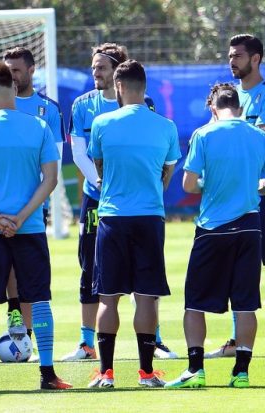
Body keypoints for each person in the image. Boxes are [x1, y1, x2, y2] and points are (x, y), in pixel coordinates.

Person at [167, 83, 265, 389]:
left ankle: (195, 370)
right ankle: (241, 372)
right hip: (249, 228)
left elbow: (189, 185)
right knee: (246, 304)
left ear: (213, 108)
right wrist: (251, 186)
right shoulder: (260, 136)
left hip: (212, 230)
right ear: (241, 108)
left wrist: (213, 184)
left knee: (194, 303)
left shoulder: (204, 134)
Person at [0, 61, 68, 392]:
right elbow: (50, 180)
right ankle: (47, 374)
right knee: (39, 299)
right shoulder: (38, 126)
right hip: (30, 228)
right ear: (14, 88)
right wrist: (21, 218)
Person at [65, 43, 170, 362]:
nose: (94, 72)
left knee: (145, 278)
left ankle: (156, 341)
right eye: (93, 66)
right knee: (91, 269)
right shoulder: (83, 105)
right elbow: (80, 152)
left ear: (118, 73)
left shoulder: (145, 105)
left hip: (129, 204)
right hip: (98, 201)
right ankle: (86, 344)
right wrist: (100, 183)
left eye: (101, 67)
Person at [86, 60, 181, 389]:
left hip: (112, 217)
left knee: (107, 298)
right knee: (146, 297)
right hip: (150, 217)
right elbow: (167, 174)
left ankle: (106, 373)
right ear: (144, 88)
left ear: (119, 87)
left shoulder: (101, 123)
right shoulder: (166, 126)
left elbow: (99, 166)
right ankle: (146, 373)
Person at [205, 34, 265, 360]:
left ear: (255, 58)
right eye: (230, 55)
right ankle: (234, 340)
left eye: (238, 56)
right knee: (235, 268)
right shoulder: (225, 97)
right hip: (233, 197)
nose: (232, 61)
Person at [0, 47, 64, 344]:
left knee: (28, 284)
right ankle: (15, 314)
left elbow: (52, 169)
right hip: (3, 216)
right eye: (8, 68)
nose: (12, 73)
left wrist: (18, 213)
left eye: (16, 69)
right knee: (3, 282)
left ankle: (23, 338)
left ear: (29, 72)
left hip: (26, 208)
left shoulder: (47, 111)